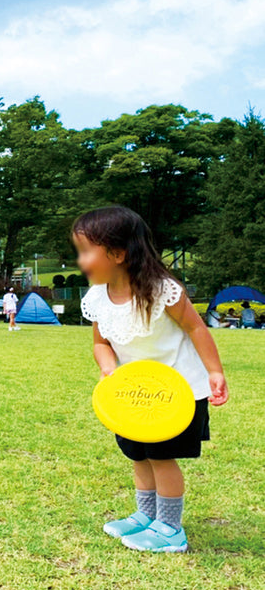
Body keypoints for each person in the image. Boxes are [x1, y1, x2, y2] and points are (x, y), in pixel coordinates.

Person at [73, 205, 228, 553]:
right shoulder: (97, 297)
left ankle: (170, 529)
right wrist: (108, 367)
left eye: (85, 251)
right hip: (132, 394)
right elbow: (101, 343)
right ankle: (146, 517)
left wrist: (215, 371)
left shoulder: (162, 290)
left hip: (177, 392)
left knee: (161, 456)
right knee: (138, 454)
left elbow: (195, 327)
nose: (80, 261)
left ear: (117, 253)